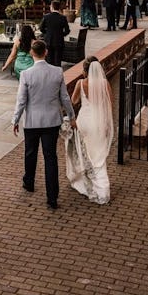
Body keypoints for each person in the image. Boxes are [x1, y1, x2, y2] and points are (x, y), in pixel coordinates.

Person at [12, 40, 76, 210]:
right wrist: (72, 115)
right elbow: (65, 98)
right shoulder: (57, 72)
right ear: (46, 52)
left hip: (32, 121)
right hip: (52, 121)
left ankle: (29, 182)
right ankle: (52, 197)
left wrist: (15, 120)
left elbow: (21, 101)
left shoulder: (26, 74)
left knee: (30, 153)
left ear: (32, 53)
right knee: (50, 157)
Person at [64, 57, 114, 204]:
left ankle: (86, 181)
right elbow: (110, 104)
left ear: (85, 70)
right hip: (98, 122)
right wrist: (107, 123)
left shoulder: (81, 83)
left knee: (85, 153)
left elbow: (74, 101)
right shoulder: (104, 83)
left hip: (84, 122)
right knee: (98, 155)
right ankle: (103, 188)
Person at [39, 0, 70, 67]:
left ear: (52, 7)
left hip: (48, 41)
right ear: (59, 8)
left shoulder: (46, 17)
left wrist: (47, 33)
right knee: (58, 61)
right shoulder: (63, 18)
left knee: (49, 60)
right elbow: (67, 30)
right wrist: (61, 34)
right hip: (59, 41)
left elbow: (41, 28)